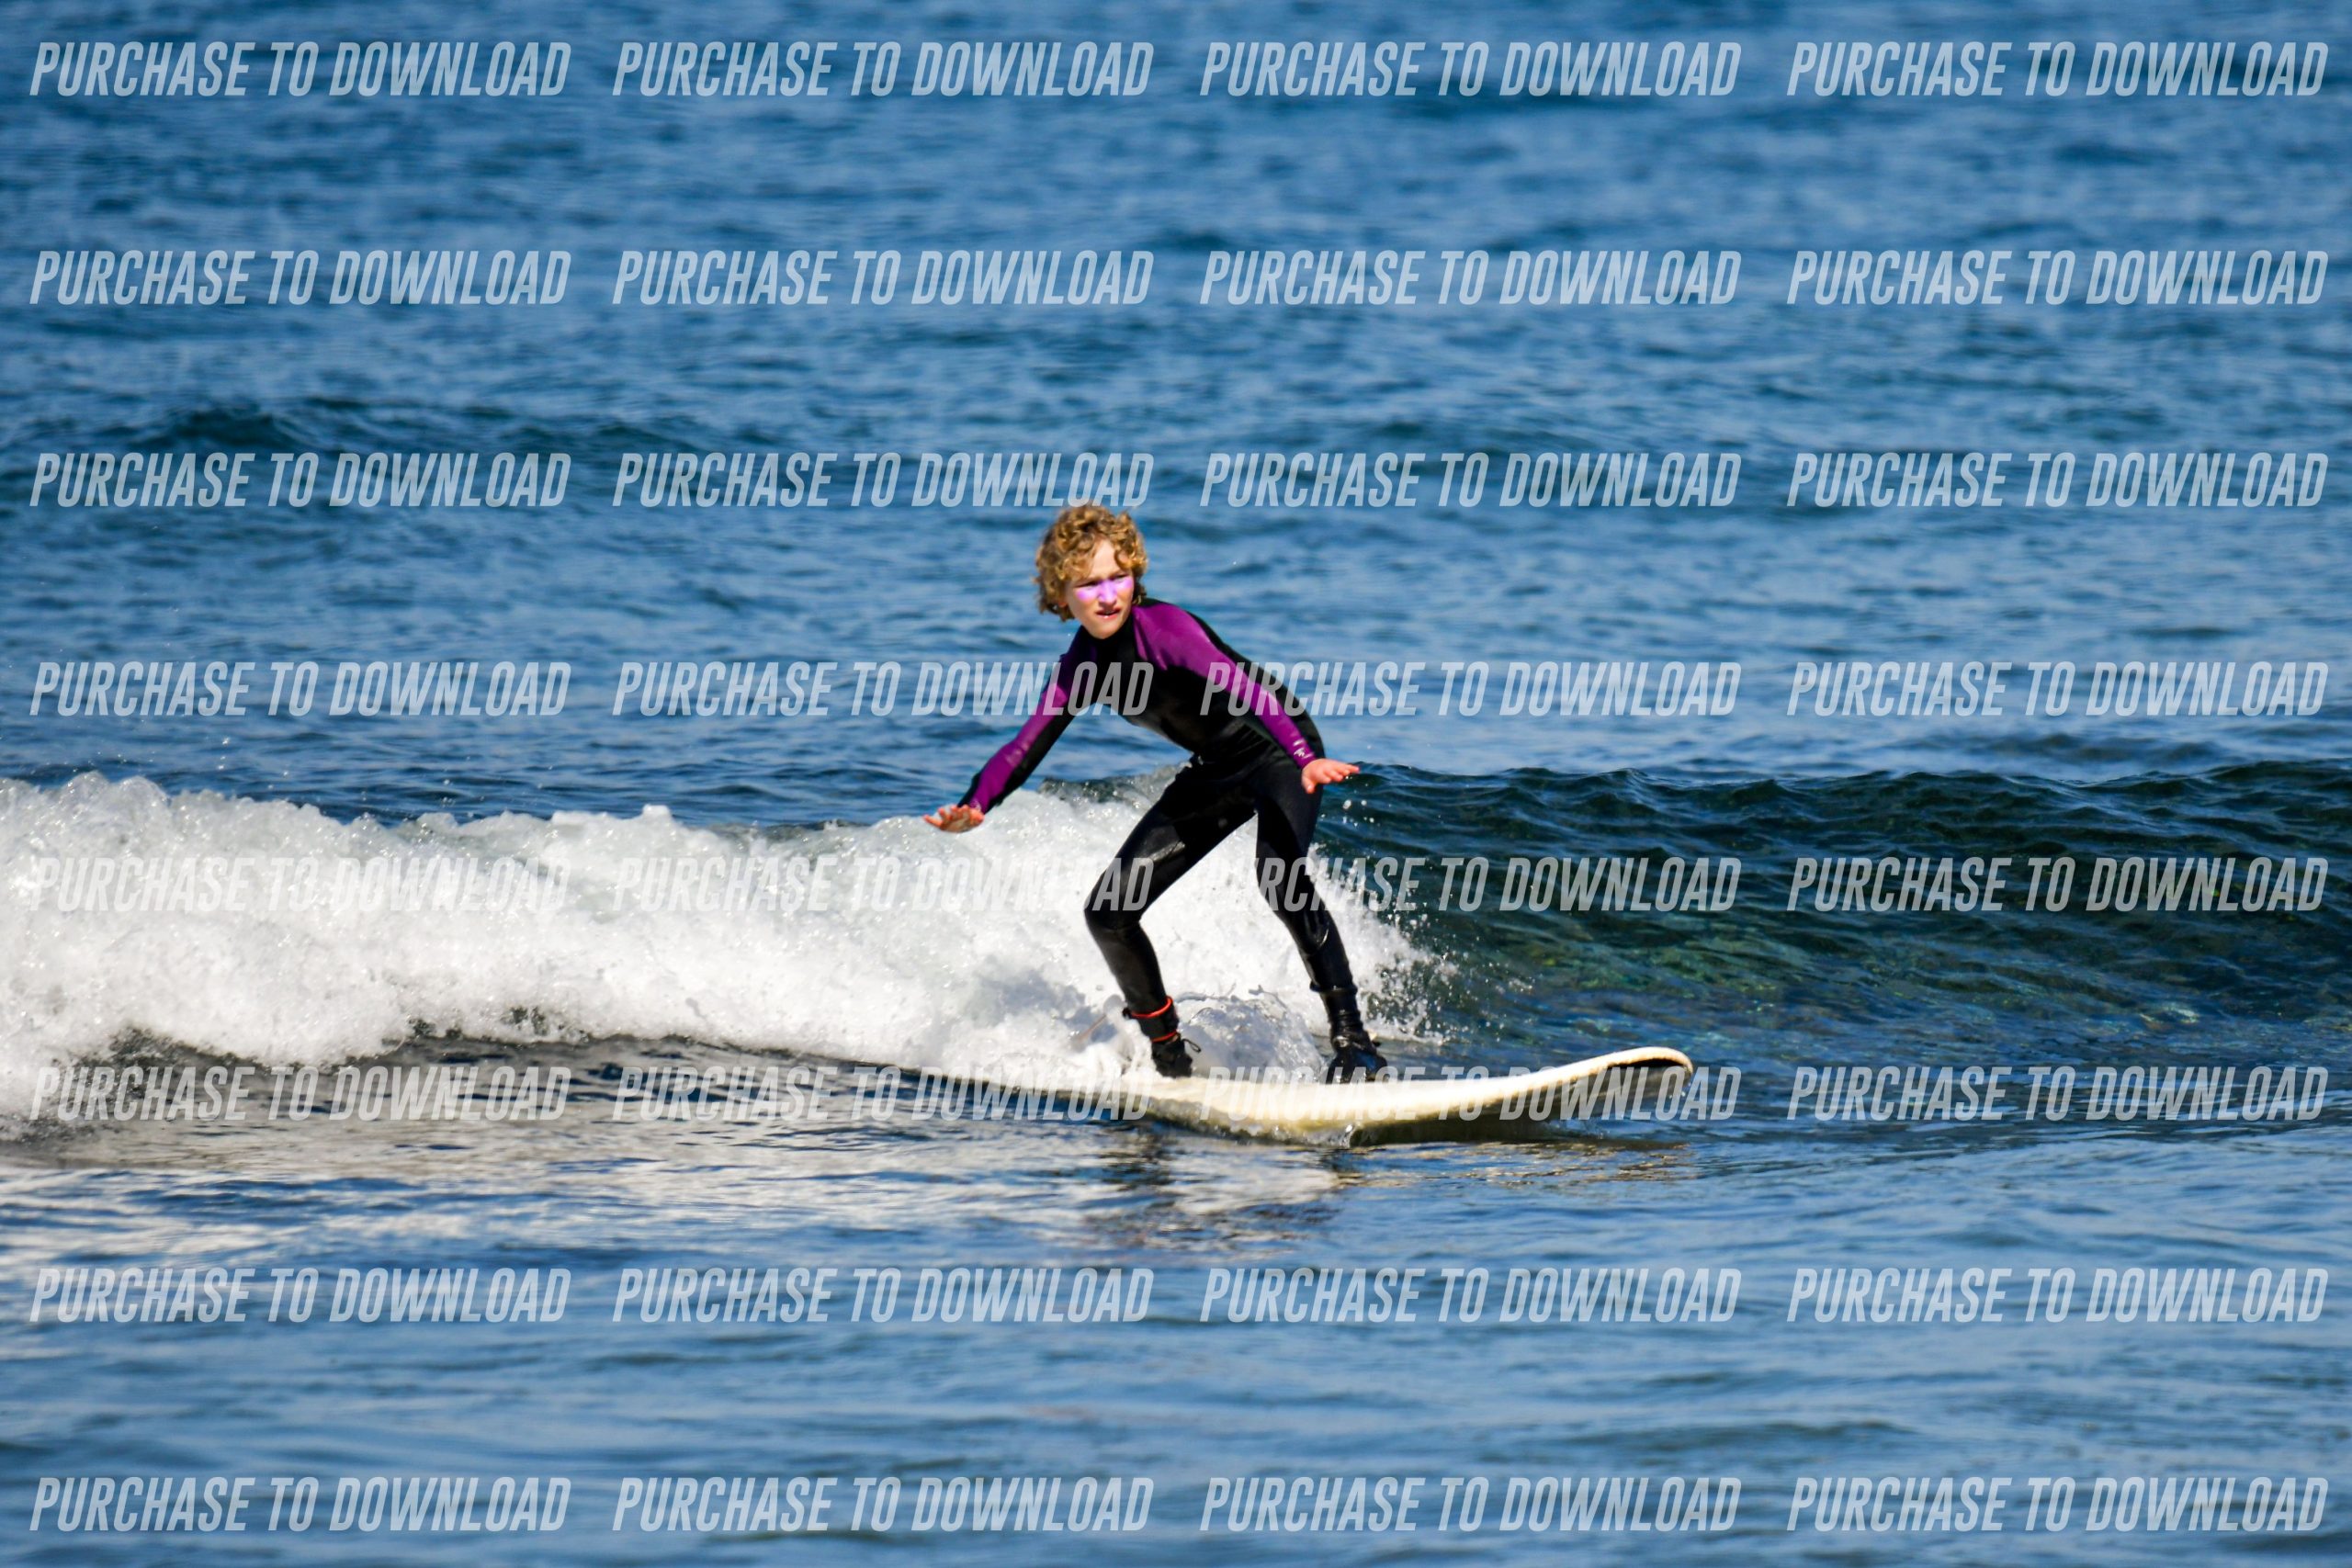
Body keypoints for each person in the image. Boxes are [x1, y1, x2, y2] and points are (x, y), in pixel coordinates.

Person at [926, 504, 1389, 1082]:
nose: (1107, 596)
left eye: (1117, 577)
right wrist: (976, 803)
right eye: (1088, 584)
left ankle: (1354, 1043)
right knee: (1109, 911)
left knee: (1281, 882)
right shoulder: (1082, 666)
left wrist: (1304, 757)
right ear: (1060, 594)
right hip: (1216, 767)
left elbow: (1250, 691)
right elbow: (1026, 746)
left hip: (1277, 749)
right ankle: (1169, 1053)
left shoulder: (1166, 630)